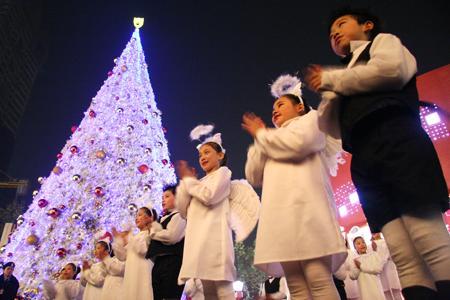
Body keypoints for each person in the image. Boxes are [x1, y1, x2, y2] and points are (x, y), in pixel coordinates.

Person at [305, 7, 450, 299]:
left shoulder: (383, 43)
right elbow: (329, 125)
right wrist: (333, 87)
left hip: (398, 140)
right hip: (364, 157)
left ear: (367, 25)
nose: (334, 33)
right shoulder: (341, 74)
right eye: (331, 32)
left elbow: (391, 71)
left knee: (428, 239)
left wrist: (333, 82)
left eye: (342, 24)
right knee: (401, 253)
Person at [243, 74, 347, 300]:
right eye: (273, 108)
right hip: (280, 219)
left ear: (300, 107)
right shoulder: (270, 137)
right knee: (296, 287)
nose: (274, 110)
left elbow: (299, 143)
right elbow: (252, 174)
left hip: (307, 211)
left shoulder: (311, 121)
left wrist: (262, 135)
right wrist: (261, 138)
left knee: (319, 281)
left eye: (280, 104)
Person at [175, 130, 236, 300]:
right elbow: (182, 210)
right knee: (208, 291)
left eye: (207, 152)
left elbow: (210, 196)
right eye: (200, 154)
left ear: (220, 155)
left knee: (224, 290)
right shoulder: (198, 183)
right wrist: (186, 183)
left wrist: (190, 183)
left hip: (215, 240)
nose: (202, 156)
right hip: (199, 241)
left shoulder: (223, 173)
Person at [147, 184, 186, 300]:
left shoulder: (180, 216)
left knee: (170, 296)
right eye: (162, 197)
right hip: (159, 263)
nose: (163, 199)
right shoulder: (161, 219)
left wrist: (153, 233)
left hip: (172, 262)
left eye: (167, 196)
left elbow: (172, 237)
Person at [112, 206, 158, 300]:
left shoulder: (150, 234)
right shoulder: (136, 237)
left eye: (140, 215)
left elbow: (143, 250)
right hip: (131, 274)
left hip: (142, 273)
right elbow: (122, 256)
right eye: (136, 215)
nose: (136, 218)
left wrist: (129, 236)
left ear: (149, 218)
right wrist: (118, 240)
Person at [371, 234, 402, 300]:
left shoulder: (386, 241)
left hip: (389, 267)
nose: (375, 234)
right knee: (385, 291)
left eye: (376, 233)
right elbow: (374, 257)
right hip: (381, 271)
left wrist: (383, 259)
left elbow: (391, 254)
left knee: (395, 289)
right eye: (373, 233)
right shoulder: (371, 244)